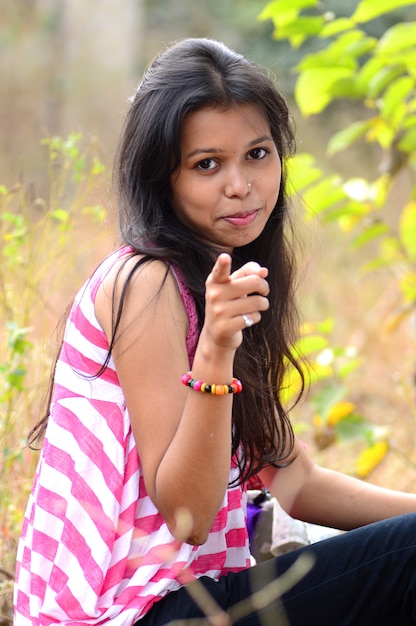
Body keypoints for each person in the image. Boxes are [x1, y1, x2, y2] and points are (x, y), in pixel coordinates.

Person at [13, 37, 416, 626]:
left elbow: (296, 481)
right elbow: (188, 516)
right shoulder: (146, 284)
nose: (240, 184)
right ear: (162, 179)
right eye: (207, 164)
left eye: (258, 154)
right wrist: (215, 353)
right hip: (130, 614)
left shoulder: (219, 276)